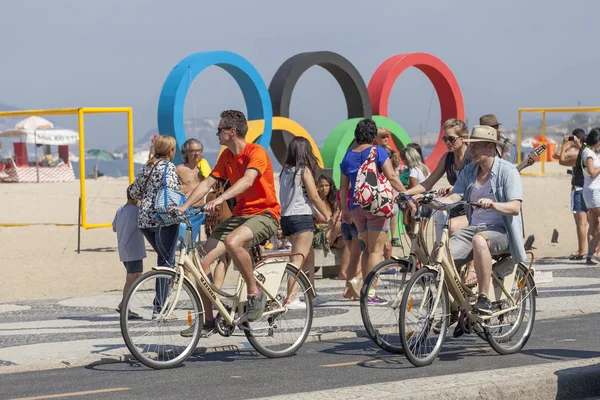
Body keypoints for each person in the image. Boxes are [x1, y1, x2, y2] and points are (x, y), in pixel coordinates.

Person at [173, 110, 280, 330]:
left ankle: (254, 293)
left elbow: (248, 181)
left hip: (264, 214)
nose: (216, 133)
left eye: (220, 129)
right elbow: (207, 183)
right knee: (198, 262)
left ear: (232, 132)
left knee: (233, 242)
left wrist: (221, 198)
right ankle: (209, 319)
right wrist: (184, 206)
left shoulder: (256, 152)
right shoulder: (226, 156)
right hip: (240, 216)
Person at [429, 125, 527, 315]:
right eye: (470, 146)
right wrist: (429, 201)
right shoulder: (469, 172)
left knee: (479, 240)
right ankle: (458, 306)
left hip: (501, 230)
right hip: (474, 228)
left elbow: (515, 207)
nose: (470, 150)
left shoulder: (507, 171)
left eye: (475, 146)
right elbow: (453, 197)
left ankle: (483, 298)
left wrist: (493, 205)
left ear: (490, 147)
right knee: (441, 257)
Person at [339, 119, 408, 305]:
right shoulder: (377, 152)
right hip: (375, 204)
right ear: (372, 136)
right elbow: (392, 176)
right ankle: (371, 292)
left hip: (356, 206)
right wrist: (406, 195)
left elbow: (343, 187)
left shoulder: (347, 157)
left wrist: (344, 210)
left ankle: (364, 289)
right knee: (376, 249)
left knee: (366, 249)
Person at [406, 119, 473, 282]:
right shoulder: (447, 158)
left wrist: (456, 189)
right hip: (454, 205)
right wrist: (405, 193)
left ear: (463, 138)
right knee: (437, 250)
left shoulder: (472, 157)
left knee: (450, 228)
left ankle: (472, 268)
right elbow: (429, 182)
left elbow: (477, 183)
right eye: (445, 139)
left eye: (451, 139)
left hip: (472, 208)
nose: (447, 143)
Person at [129, 135, 181, 319]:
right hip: (163, 218)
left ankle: (160, 306)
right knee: (166, 263)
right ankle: (161, 308)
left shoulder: (147, 167)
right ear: (170, 151)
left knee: (163, 259)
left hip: (145, 220)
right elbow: (173, 192)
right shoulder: (169, 168)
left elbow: (134, 191)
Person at [279, 137, 333, 308]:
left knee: (308, 256)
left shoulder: (285, 171)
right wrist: (328, 216)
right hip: (301, 219)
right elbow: (314, 196)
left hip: (287, 219)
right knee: (297, 259)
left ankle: (311, 295)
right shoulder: (304, 170)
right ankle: (291, 298)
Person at [112, 186, 146, 320]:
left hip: (124, 249)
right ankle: (124, 305)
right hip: (134, 249)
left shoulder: (120, 210)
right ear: (135, 197)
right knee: (132, 278)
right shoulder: (137, 211)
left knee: (136, 276)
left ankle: (124, 304)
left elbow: (114, 228)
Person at [558, 128, 590, 260]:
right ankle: (595, 250)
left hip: (579, 189)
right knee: (594, 222)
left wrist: (565, 144)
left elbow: (560, 159)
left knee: (581, 223)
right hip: (591, 189)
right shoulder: (592, 154)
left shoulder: (579, 157)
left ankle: (582, 251)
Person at [176, 138, 207, 245]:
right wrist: (179, 189)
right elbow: (170, 188)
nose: (196, 153)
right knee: (188, 244)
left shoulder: (204, 168)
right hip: (189, 210)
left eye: (199, 150)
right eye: (193, 151)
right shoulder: (179, 169)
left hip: (204, 208)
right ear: (186, 153)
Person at [581, 128, 600, 265]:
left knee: (594, 224)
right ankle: (593, 252)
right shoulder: (588, 153)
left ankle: (591, 254)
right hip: (594, 192)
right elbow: (592, 173)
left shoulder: (591, 152)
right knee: (594, 224)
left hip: (591, 191)